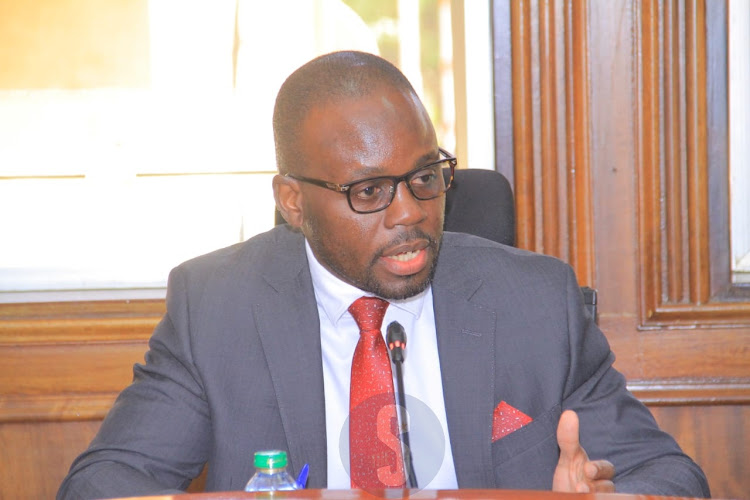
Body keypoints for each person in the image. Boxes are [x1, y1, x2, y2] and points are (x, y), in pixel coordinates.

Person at [57, 51, 710, 499]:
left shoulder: (534, 304)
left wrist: (615, 494)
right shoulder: (218, 310)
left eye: (426, 177)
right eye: (370, 191)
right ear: (292, 201)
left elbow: (673, 478)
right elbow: (103, 485)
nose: (411, 213)